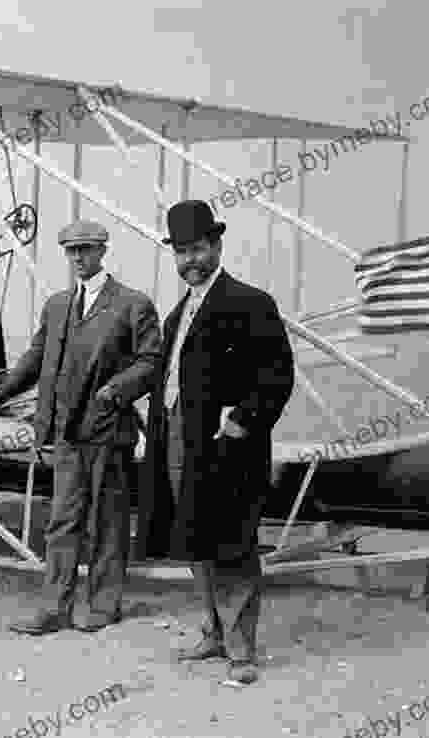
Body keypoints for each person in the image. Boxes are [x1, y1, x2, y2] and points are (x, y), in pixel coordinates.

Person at [136, 199, 294, 684]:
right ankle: (214, 633)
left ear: (218, 245)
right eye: (181, 252)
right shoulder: (177, 314)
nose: (191, 260)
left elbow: (277, 375)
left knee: (232, 543)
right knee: (194, 537)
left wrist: (242, 424)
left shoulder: (250, 302)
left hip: (227, 447)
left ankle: (241, 651)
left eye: (199, 248)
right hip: (177, 442)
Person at [0, 219, 161, 634]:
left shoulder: (132, 304)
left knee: (108, 521)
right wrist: (6, 389)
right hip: (66, 434)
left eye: (85, 249)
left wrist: (115, 391)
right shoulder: (56, 305)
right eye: (71, 250)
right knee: (62, 523)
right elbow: (36, 356)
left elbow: (151, 361)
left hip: (108, 432)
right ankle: (55, 607)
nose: (78, 257)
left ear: (102, 251)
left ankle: (104, 605)